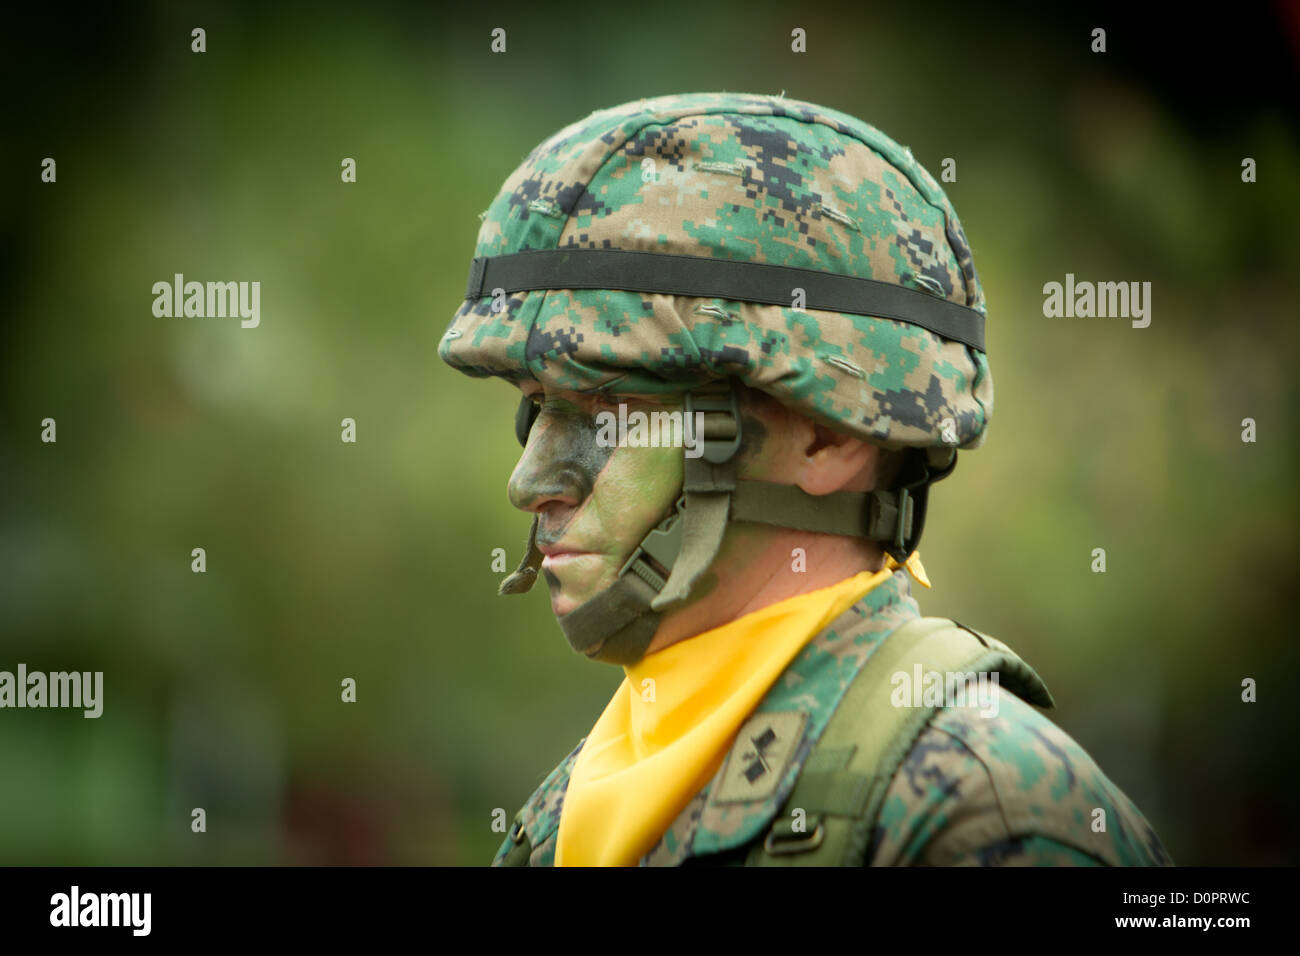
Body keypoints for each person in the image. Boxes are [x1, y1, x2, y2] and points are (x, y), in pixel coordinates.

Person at [439, 92, 1172, 867]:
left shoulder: (986, 812)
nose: (529, 482)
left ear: (828, 433)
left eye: (608, 408)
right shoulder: (572, 812)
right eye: (535, 408)